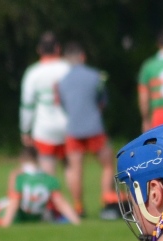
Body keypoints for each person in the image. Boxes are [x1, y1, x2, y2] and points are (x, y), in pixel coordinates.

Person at [55, 42, 121, 219]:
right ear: (83, 57)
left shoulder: (62, 82)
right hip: (94, 127)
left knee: (75, 169)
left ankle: (78, 206)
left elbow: (62, 105)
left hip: (73, 129)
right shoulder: (96, 76)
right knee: (107, 165)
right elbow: (103, 101)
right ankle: (106, 201)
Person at [20, 31, 71, 176]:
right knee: (71, 167)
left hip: (44, 128)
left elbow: (27, 106)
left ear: (39, 50)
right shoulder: (68, 68)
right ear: (58, 48)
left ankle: (50, 199)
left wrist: (25, 130)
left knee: (47, 171)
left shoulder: (33, 73)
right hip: (68, 126)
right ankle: (77, 199)